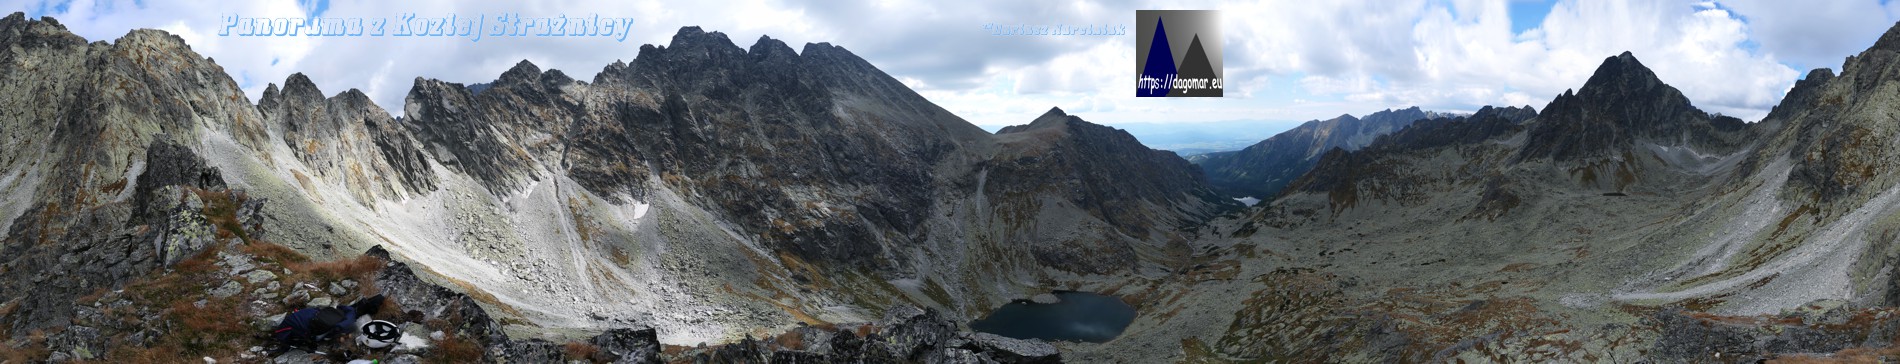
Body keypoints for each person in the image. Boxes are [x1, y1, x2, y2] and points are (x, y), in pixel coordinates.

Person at [267, 294, 387, 355]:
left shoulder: (349, 310)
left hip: (310, 314)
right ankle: (296, 340)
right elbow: (338, 328)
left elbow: (339, 307)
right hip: (304, 322)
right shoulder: (350, 320)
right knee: (320, 336)